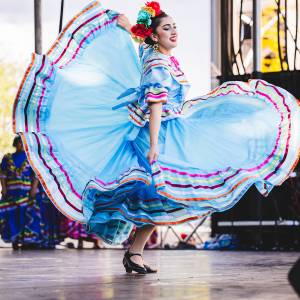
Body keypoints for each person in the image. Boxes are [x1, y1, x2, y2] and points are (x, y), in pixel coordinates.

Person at [13, 1, 300, 274]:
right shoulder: (157, 65)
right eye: (166, 28)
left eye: (175, 26)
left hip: (170, 129)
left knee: (162, 197)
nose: (174, 31)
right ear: (154, 35)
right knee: (166, 190)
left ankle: (134, 253)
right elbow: (155, 106)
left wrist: (125, 27)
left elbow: (141, 51)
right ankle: (133, 249)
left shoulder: (154, 56)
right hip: (160, 134)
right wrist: (153, 145)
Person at [0, 136, 44, 249]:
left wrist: (34, 188)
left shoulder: (31, 158)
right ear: (15, 144)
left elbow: (36, 175)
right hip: (11, 193)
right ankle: (15, 240)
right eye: (20, 143)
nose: (22, 145)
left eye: (24, 143)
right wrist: (4, 188)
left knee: (27, 215)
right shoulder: (7, 157)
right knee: (12, 216)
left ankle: (26, 241)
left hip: (27, 193)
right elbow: (3, 175)